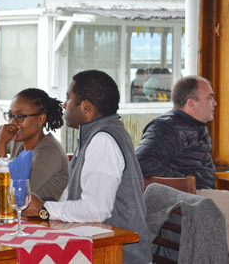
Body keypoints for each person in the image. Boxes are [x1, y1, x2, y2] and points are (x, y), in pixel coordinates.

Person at [136, 76, 229, 264]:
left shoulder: (196, 126)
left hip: (201, 206)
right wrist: (186, 184)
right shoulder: (166, 127)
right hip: (187, 205)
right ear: (191, 103)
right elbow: (142, 161)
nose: (215, 103)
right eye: (210, 98)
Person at [23, 70, 151, 263]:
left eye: (68, 98)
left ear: (86, 106)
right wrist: (45, 209)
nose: (64, 104)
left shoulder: (103, 140)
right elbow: (71, 195)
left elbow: (96, 210)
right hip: (96, 246)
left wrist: (44, 209)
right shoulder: (94, 135)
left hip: (119, 255)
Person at [0, 88, 68, 201]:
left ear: (41, 118)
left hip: (44, 218)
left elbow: (16, 194)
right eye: (10, 116)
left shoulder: (50, 151)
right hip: (22, 216)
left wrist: (0, 146)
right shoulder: (19, 143)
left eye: (20, 116)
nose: (12, 122)